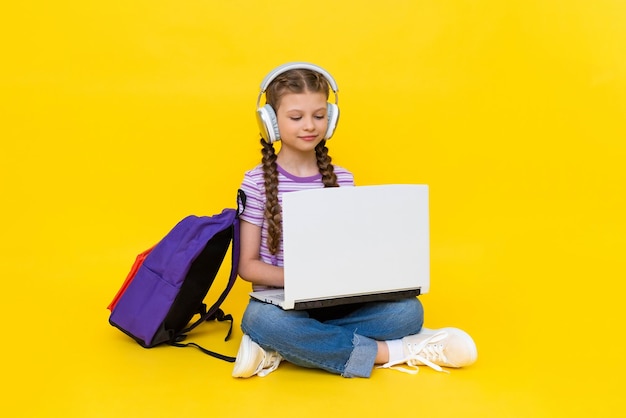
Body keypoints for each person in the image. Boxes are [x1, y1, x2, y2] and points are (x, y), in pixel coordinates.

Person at [232, 62, 477, 378]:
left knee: (407, 313)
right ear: (271, 123)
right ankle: (398, 352)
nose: (309, 125)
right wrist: (305, 279)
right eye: (296, 117)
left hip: (335, 303)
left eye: (319, 116)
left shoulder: (343, 180)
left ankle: (282, 347)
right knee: (260, 321)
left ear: (331, 119)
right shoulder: (255, 182)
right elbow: (247, 266)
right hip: (280, 304)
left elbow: (353, 254)